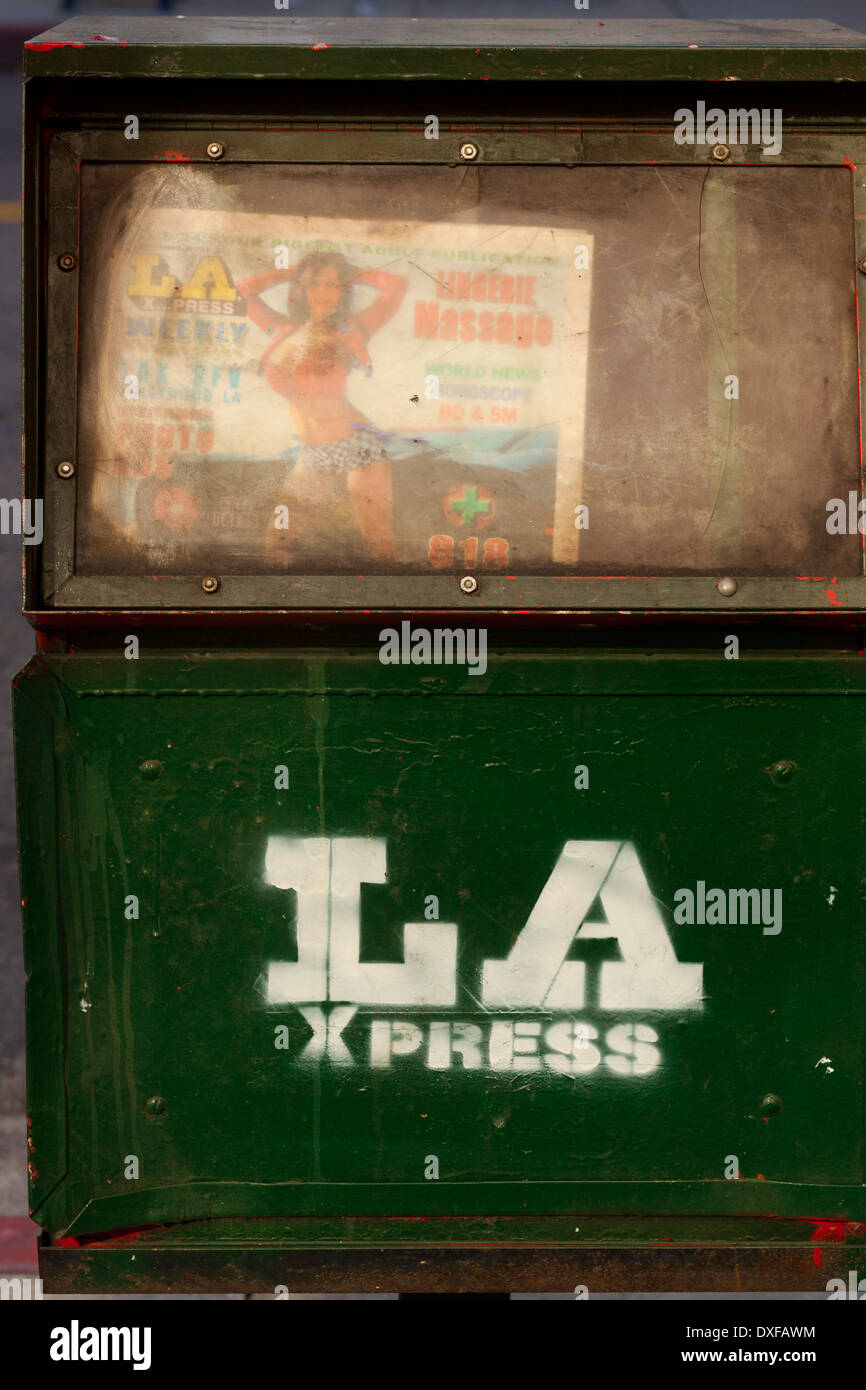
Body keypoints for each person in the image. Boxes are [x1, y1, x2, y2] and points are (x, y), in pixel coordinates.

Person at [235, 252, 408, 566]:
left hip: (358, 447)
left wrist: (351, 273)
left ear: (342, 291)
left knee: (381, 548)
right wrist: (291, 272)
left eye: (333, 284)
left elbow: (397, 285)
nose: (324, 291)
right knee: (277, 544)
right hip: (314, 455)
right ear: (301, 287)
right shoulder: (281, 330)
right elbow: (242, 290)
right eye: (315, 283)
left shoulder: (351, 329)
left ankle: (399, 615)